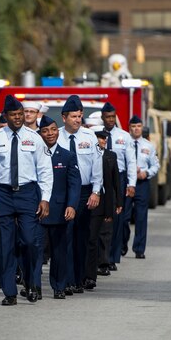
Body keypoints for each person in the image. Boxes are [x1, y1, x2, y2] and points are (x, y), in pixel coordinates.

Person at [0, 95, 53, 306]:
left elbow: (45, 170)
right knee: (5, 244)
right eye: (14, 115)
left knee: (30, 241)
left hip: (28, 193)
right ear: (6, 116)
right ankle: (9, 291)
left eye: (21, 114)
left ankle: (31, 283)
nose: (19, 118)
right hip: (2, 194)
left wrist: (45, 198)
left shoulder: (34, 138)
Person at [56, 95, 102, 293]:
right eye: (74, 116)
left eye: (80, 116)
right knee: (65, 235)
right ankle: (66, 280)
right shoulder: (55, 136)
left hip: (84, 192)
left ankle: (79, 277)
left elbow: (96, 166)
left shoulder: (89, 137)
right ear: (64, 117)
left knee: (81, 236)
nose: (77, 120)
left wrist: (96, 191)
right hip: (63, 192)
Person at [38, 115, 80, 299]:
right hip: (36, 211)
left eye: (53, 130)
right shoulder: (33, 153)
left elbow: (74, 184)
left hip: (59, 210)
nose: (50, 134)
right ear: (40, 133)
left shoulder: (67, 156)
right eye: (45, 131)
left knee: (59, 251)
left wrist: (71, 205)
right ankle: (34, 286)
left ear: (58, 131)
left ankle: (59, 286)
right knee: (33, 249)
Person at [101, 102, 136, 271]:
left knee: (118, 219)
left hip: (119, 179)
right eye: (107, 117)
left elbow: (131, 161)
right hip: (101, 179)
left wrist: (131, 183)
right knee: (103, 220)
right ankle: (103, 257)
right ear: (102, 118)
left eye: (113, 117)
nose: (110, 120)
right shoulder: (97, 135)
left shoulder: (124, 136)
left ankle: (113, 257)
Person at [85, 128, 123, 280]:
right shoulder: (87, 153)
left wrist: (118, 202)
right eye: (100, 138)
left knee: (105, 233)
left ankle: (104, 263)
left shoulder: (111, 156)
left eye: (104, 138)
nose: (103, 141)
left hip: (106, 199)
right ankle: (90, 266)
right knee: (90, 235)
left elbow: (115, 181)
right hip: (88, 198)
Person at [121, 116, 159, 259]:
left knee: (141, 217)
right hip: (126, 183)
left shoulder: (148, 146)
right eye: (133, 126)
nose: (136, 129)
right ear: (129, 128)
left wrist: (146, 173)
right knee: (124, 217)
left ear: (142, 127)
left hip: (142, 183)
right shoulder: (124, 143)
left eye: (138, 126)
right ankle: (122, 244)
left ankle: (139, 248)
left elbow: (155, 165)